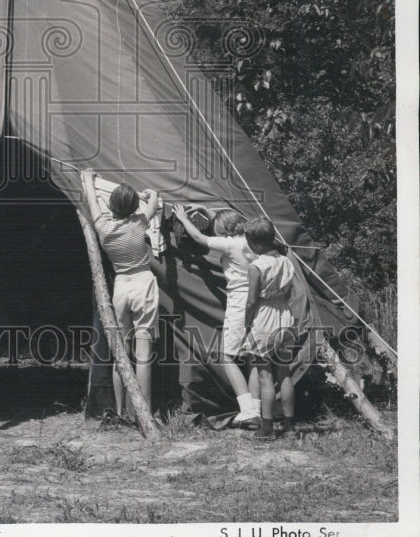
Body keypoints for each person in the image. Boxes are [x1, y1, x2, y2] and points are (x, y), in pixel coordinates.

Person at [171, 203, 261, 427]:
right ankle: (257, 409)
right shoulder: (252, 242)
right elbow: (228, 224)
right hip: (259, 302)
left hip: (239, 303)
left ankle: (247, 409)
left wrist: (183, 218)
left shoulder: (230, 245)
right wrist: (207, 210)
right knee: (252, 358)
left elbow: (199, 238)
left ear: (224, 231)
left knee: (227, 356)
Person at [80, 170, 160, 415]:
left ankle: (121, 408)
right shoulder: (139, 224)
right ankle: (143, 410)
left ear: (111, 206)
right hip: (143, 282)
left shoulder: (103, 227)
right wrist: (152, 193)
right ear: (135, 207)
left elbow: (93, 201)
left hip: (121, 286)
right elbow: (154, 204)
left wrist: (88, 179)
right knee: (143, 351)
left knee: (121, 352)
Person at [242, 216, 297, 442]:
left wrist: (246, 322)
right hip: (284, 315)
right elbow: (288, 293)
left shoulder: (256, 266)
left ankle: (267, 428)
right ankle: (289, 426)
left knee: (265, 376)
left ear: (253, 243)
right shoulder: (286, 261)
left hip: (264, 317)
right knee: (284, 373)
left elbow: (252, 300)